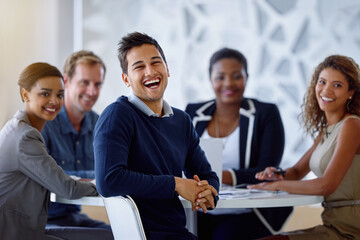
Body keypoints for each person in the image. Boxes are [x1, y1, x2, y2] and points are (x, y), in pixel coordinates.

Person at [94, 32, 219, 240]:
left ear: (167, 69)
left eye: (155, 62)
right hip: (144, 235)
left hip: (177, 233)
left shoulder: (182, 120)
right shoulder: (117, 115)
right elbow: (108, 181)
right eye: (139, 67)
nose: (150, 71)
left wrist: (210, 191)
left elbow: (207, 174)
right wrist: (176, 184)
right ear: (126, 79)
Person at [185, 48, 292, 240]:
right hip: (198, 211)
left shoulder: (265, 114)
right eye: (220, 77)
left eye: (236, 76)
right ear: (210, 79)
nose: (228, 83)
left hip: (246, 213)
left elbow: (266, 172)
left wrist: (215, 177)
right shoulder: (193, 113)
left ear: (246, 77)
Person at [249, 55, 360, 239]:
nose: (327, 90)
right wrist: (278, 175)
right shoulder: (326, 131)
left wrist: (278, 185)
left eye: (337, 85)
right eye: (322, 82)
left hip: (351, 230)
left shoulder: (352, 126)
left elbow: (327, 185)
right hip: (333, 225)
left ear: (351, 92)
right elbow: (297, 171)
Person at [0, 62, 112, 240]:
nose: (55, 101)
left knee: (109, 235)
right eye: (45, 94)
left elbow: (57, 178)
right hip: (16, 234)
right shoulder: (25, 137)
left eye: (60, 95)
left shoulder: (22, 130)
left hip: (33, 229)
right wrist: (107, 184)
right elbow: (66, 188)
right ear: (25, 94)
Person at [41, 50, 110, 230]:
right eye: (84, 82)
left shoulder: (100, 124)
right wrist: (95, 179)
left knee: (126, 234)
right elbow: (46, 180)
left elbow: (111, 172)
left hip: (73, 216)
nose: (92, 91)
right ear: (66, 81)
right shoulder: (44, 123)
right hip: (43, 222)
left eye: (97, 84)